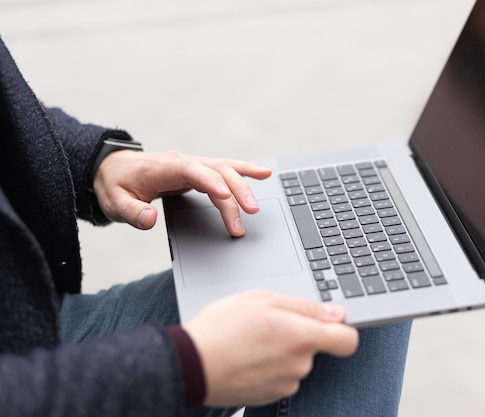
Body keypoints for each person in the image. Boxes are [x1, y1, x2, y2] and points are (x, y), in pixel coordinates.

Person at [0, 35, 411, 417]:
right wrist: (182, 369)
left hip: (28, 318)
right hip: (30, 382)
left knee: (366, 274)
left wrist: (97, 161)